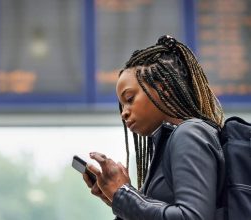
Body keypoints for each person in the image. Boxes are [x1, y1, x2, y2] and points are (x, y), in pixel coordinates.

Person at [82, 35, 225, 220]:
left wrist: (124, 194)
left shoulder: (189, 134)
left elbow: (192, 217)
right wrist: (116, 198)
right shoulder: (170, 145)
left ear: (163, 88)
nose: (124, 113)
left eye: (130, 99)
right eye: (122, 105)